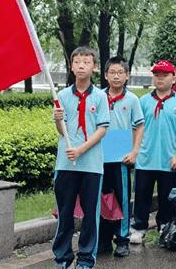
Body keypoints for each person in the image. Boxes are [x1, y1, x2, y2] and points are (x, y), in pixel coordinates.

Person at [52, 46, 110, 269]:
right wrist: (58, 119)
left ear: (94, 67)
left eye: (86, 62)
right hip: (66, 164)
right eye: (77, 62)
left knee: (90, 215)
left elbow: (102, 129)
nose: (81, 66)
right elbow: (61, 131)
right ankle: (63, 258)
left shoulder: (100, 97)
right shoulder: (63, 96)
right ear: (71, 66)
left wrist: (81, 150)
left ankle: (86, 258)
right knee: (64, 214)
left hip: (91, 165)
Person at [130, 60, 176, 244]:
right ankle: (139, 227)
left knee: (167, 197)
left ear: (173, 78)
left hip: (169, 160)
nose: (160, 79)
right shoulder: (143, 101)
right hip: (145, 158)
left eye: (164, 75)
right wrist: (135, 151)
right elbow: (136, 127)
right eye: (157, 75)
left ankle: (165, 225)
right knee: (142, 195)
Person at [98, 56, 144, 258]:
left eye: (120, 73)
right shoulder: (98, 97)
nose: (116, 76)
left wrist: (134, 151)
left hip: (121, 159)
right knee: (102, 198)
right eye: (112, 73)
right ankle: (103, 239)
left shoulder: (132, 99)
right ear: (106, 75)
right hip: (99, 157)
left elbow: (139, 126)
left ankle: (122, 239)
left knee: (122, 199)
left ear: (127, 76)